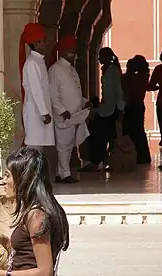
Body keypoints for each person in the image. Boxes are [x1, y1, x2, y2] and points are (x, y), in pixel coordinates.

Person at [0, 147, 69, 276]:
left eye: (7, 176)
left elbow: (44, 272)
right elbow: (30, 256)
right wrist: (6, 241)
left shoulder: (37, 216)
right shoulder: (34, 211)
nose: (3, 181)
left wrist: (0, 275)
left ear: (23, 179)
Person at [48, 35, 90, 184]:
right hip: (65, 116)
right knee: (64, 146)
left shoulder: (71, 69)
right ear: (64, 51)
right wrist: (61, 110)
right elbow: (52, 94)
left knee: (69, 144)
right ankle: (63, 174)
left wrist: (84, 102)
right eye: (71, 49)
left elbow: (74, 91)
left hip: (75, 115)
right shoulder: (56, 69)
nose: (74, 52)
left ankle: (62, 172)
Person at [78, 47, 125, 172]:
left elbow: (119, 91)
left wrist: (120, 108)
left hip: (111, 109)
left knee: (102, 135)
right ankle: (100, 161)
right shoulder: (107, 70)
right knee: (103, 135)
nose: (99, 58)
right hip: (105, 108)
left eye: (101, 56)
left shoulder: (113, 71)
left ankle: (99, 161)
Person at [19, 24, 54, 150]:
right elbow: (36, 90)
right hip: (35, 111)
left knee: (38, 148)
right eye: (44, 41)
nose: (47, 43)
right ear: (37, 43)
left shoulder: (38, 61)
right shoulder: (32, 63)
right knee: (34, 147)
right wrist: (44, 112)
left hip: (38, 110)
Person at [121, 55, 152, 164]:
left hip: (132, 105)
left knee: (131, 132)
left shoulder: (133, 77)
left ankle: (134, 156)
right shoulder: (144, 76)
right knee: (139, 131)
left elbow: (128, 89)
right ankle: (143, 156)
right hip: (139, 105)